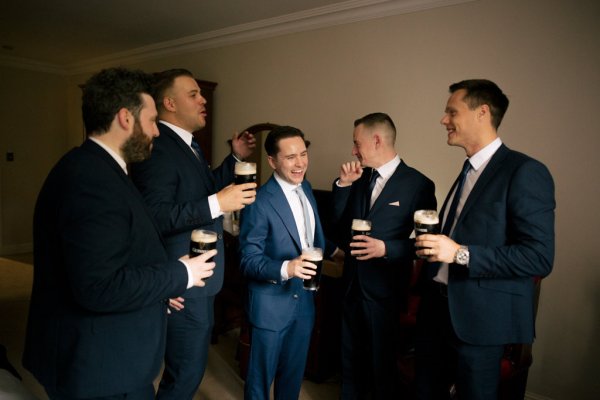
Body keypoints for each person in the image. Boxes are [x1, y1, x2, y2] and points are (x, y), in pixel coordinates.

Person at [22, 67, 216, 400]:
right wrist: (180, 273)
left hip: (108, 358)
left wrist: (158, 286)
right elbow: (99, 287)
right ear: (126, 118)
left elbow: (119, 252)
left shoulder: (99, 167)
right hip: (100, 369)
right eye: (153, 120)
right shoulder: (91, 182)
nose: (157, 132)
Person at [414, 79, 555, 400]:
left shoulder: (525, 171)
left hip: (480, 321)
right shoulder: (466, 171)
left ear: (482, 113)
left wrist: (460, 253)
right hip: (435, 311)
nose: (443, 119)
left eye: (451, 111)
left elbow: (539, 257)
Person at [129, 68, 256, 400]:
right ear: (169, 103)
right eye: (194, 94)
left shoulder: (189, 146)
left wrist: (235, 158)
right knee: (184, 375)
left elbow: (202, 190)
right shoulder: (158, 149)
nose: (203, 101)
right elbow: (155, 216)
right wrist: (218, 203)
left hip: (202, 278)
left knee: (189, 370)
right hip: (182, 282)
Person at [332, 112, 436, 399]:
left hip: (385, 291)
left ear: (376, 140)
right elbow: (338, 227)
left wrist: (386, 248)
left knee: (381, 366)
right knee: (349, 361)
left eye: (357, 143)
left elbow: (427, 244)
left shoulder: (419, 185)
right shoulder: (358, 178)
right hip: (352, 285)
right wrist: (343, 186)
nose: (353, 150)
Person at [239, 126, 336, 400]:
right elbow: (248, 260)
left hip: (304, 302)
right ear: (272, 161)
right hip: (270, 304)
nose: (300, 163)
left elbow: (310, 236)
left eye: (303, 154)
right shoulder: (258, 201)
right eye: (290, 157)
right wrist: (287, 268)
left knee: (292, 379)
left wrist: (334, 249)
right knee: (259, 384)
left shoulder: (305, 186)